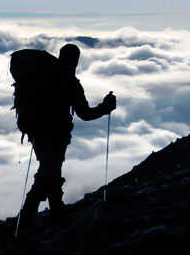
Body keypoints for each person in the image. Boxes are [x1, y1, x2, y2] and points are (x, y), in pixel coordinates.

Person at [16, 43, 116, 234]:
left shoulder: (43, 75)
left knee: (50, 170)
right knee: (48, 172)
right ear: (76, 60)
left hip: (38, 133)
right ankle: (27, 218)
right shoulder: (70, 83)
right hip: (56, 135)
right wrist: (105, 108)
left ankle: (54, 210)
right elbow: (85, 113)